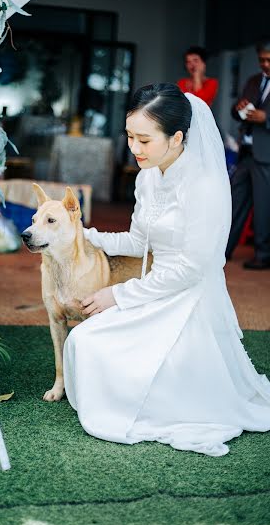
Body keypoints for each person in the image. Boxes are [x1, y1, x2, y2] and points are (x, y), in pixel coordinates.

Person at [63, 83, 270, 457]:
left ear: (177, 138)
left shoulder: (205, 185)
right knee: (83, 341)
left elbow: (191, 269)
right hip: (156, 290)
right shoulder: (148, 176)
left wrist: (118, 295)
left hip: (189, 299)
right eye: (129, 136)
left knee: (101, 350)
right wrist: (87, 236)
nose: (134, 149)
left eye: (144, 139)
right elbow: (139, 241)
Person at [225, 40, 270, 269]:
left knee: (263, 207)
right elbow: (237, 111)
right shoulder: (253, 81)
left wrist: (266, 118)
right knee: (233, 202)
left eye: (269, 60)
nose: (265, 64)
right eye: (262, 59)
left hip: (267, 155)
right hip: (247, 150)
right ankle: (223, 251)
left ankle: (263, 256)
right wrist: (238, 108)